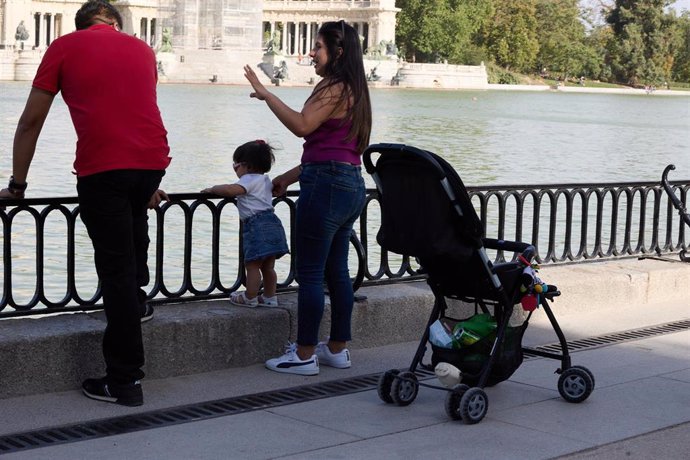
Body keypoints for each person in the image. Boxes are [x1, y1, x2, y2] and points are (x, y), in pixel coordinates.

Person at [0, 0, 171, 406]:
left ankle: (124, 380)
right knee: (133, 236)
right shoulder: (143, 50)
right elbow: (139, 107)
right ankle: (140, 298)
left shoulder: (64, 46)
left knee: (115, 269)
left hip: (103, 167)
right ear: (114, 22)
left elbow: (30, 121)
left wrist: (17, 184)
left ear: (80, 26)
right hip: (153, 161)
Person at [243, 19, 372, 376]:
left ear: (338, 52)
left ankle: (302, 355)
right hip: (349, 183)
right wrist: (289, 175)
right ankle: (337, 348)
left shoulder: (333, 87)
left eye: (318, 47)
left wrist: (267, 94)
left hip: (326, 187)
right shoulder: (358, 91)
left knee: (312, 274)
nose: (311, 54)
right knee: (338, 272)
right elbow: (335, 150)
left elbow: (302, 125)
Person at [201, 140, 288, 307]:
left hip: (256, 225)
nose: (235, 169)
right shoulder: (266, 181)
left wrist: (213, 189)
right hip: (273, 222)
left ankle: (249, 297)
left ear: (247, 166)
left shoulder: (248, 179)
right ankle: (270, 297)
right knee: (268, 266)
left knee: (253, 265)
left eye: (236, 166)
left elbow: (231, 190)